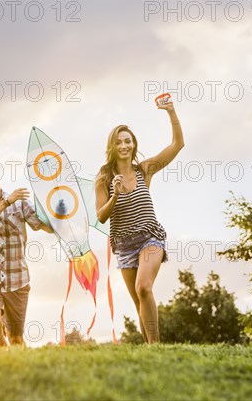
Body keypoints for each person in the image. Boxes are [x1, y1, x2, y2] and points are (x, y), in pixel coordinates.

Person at [95, 101, 184, 343]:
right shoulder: (103, 178)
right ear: (112, 147)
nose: (124, 145)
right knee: (138, 302)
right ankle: (151, 355)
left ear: (133, 145)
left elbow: (178, 145)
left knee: (143, 287)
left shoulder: (144, 170)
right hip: (124, 245)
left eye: (128, 141)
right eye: (119, 141)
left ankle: (155, 348)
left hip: (150, 238)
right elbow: (101, 216)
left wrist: (171, 112)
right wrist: (114, 194)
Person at [0, 163, 53, 346]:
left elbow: (44, 226)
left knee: (15, 338)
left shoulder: (20, 203)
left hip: (17, 278)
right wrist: (6, 203)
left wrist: (61, 216)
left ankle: (18, 369)